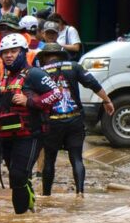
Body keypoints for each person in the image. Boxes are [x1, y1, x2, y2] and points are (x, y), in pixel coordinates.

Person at [0, 34, 61, 214]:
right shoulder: (5, 79)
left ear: (23, 52)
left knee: (18, 175)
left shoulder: (34, 74)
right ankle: (22, 222)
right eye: (5, 52)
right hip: (7, 135)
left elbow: (56, 94)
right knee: (16, 178)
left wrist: (29, 102)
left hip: (31, 134)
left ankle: (23, 215)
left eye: (14, 51)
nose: (9, 56)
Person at [37, 43, 113, 197]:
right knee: (76, 158)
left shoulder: (39, 73)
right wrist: (107, 101)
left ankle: (46, 195)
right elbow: (93, 83)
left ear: (44, 57)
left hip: (52, 122)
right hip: (75, 119)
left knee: (50, 159)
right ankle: (80, 193)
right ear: (61, 54)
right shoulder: (74, 66)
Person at [0, 14, 37, 204]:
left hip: (21, 120)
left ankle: (25, 205)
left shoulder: (31, 56)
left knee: (18, 169)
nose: (5, 33)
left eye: (9, 29)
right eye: (1, 29)